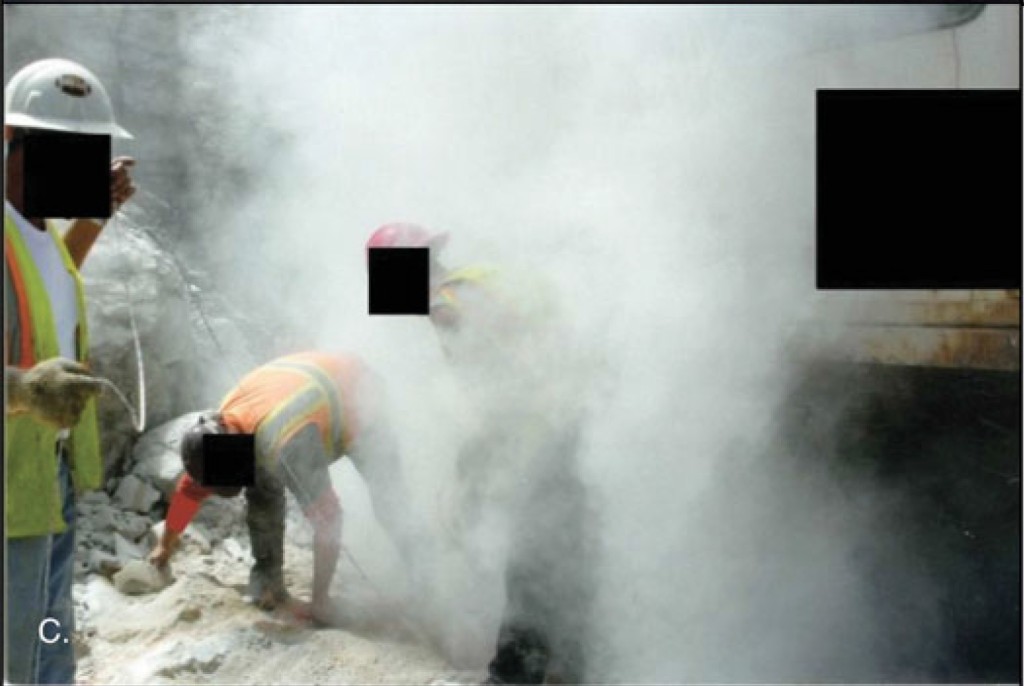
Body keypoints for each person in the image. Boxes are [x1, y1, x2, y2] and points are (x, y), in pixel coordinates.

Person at [367, 223, 596, 684]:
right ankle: (573, 667)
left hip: (551, 425)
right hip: (580, 420)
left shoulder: (448, 306)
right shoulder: (480, 277)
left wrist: (487, 455)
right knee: (563, 550)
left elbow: (511, 382)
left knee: (530, 552)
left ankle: (513, 675)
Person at [4, 58, 136, 685]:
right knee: (15, 649)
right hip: (7, 488)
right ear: (11, 141)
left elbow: (57, 289)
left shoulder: (42, 234)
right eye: (66, 152)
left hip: (46, 477)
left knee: (50, 624)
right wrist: (23, 390)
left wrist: (94, 215)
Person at [147, 351, 424, 625]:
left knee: (390, 502)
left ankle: (424, 577)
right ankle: (270, 581)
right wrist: (164, 548)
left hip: (362, 396)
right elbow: (189, 493)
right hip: (308, 387)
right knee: (262, 484)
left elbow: (329, 518)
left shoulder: (286, 441)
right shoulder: (222, 430)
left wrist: (320, 601)